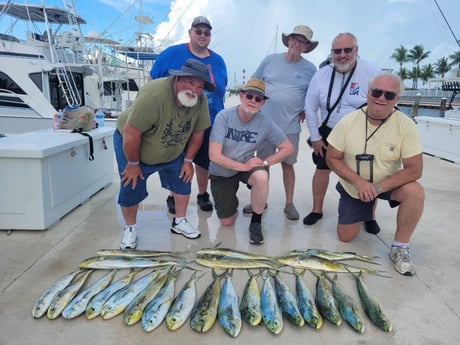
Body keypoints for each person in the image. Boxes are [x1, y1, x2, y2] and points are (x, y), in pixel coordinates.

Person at [326, 72, 424, 276]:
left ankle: (400, 247)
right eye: (377, 92)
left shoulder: (405, 125)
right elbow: (332, 157)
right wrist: (358, 182)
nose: (382, 98)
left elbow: (415, 169)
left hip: (387, 183)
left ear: (397, 99)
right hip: (354, 186)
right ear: (368, 93)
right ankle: (366, 207)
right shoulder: (348, 121)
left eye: (389, 95)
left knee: (416, 192)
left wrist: (378, 188)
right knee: (345, 237)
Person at [114, 58, 214, 249]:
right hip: (135, 144)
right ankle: (130, 228)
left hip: (172, 146)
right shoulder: (153, 94)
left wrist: (188, 160)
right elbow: (131, 132)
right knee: (130, 185)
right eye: (191, 82)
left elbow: (198, 133)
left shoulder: (200, 101)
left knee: (183, 181)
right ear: (178, 78)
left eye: (200, 86)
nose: (195, 90)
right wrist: (133, 164)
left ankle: (180, 222)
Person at [149, 16, 228, 214]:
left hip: (209, 120)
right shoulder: (171, 54)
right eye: (198, 31)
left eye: (206, 32)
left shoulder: (218, 60)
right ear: (190, 33)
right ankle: (173, 195)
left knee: (203, 161)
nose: (202, 35)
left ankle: (202, 194)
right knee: (176, 159)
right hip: (176, 120)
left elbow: (221, 90)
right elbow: (151, 83)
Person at [303, 32, 381, 232]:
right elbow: (310, 108)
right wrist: (315, 137)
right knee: (322, 169)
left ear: (356, 50)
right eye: (337, 51)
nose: (342, 55)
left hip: (362, 132)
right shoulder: (321, 75)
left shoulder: (371, 72)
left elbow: (382, 104)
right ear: (332, 53)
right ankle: (317, 210)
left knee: (367, 175)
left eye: (347, 50)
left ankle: (369, 216)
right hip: (329, 131)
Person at [208, 78, 294, 244]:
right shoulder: (224, 117)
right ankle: (231, 202)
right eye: (249, 96)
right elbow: (214, 155)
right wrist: (243, 166)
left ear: (263, 103)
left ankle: (256, 222)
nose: (253, 101)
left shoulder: (265, 123)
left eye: (258, 99)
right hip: (222, 170)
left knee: (262, 177)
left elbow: (288, 148)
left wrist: (266, 163)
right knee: (227, 222)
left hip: (247, 167)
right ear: (241, 96)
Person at [245, 25, 318, 220]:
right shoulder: (270, 60)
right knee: (263, 163)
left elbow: (313, 95)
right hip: (265, 124)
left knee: (288, 164)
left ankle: (289, 203)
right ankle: (259, 200)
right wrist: (251, 107)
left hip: (291, 125)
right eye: (296, 39)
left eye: (303, 42)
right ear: (289, 40)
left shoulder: (311, 69)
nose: (298, 44)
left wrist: (305, 108)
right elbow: (253, 82)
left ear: (307, 46)